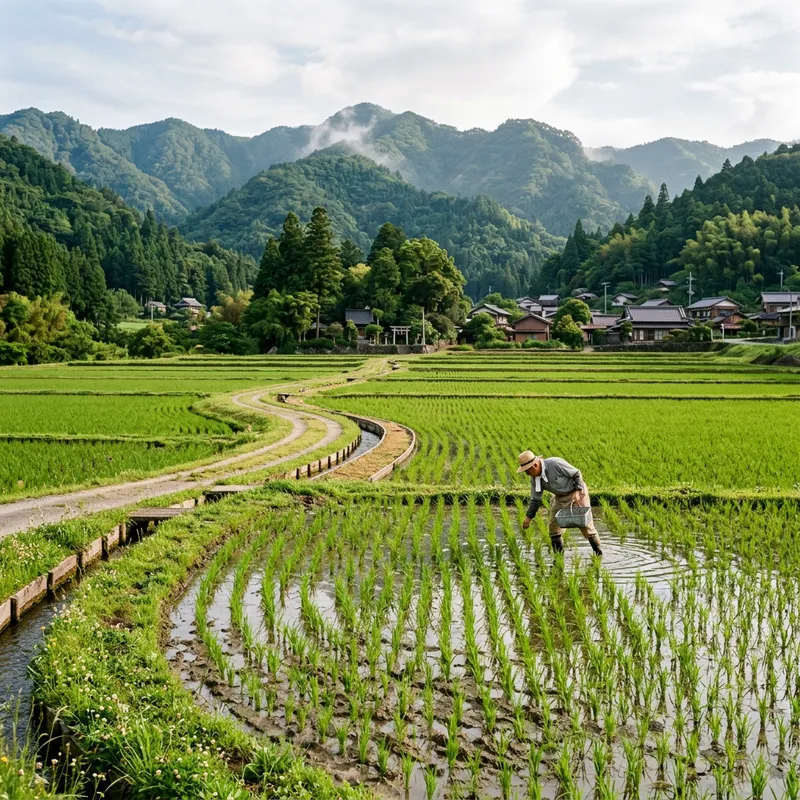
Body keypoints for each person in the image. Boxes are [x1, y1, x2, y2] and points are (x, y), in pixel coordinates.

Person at [516, 450, 603, 556]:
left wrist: (577, 490)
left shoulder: (555, 464)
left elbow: (576, 473)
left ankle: (599, 554)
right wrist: (528, 517)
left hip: (577, 493)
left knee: (586, 526)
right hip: (560, 498)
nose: (527, 474)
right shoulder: (535, 479)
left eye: (527, 471)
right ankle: (559, 559)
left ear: (534, 465)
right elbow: (535, 499)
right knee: (554, 529)